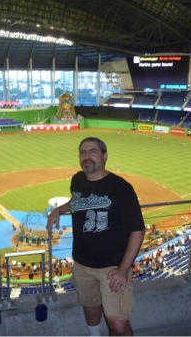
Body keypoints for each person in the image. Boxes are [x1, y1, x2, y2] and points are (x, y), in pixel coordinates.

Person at [47, 137, 145, 336]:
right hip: (82, 263)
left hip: (112, 267)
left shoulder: (121, 188)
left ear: (105, 156)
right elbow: (77, 202)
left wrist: (123, 269)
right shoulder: (77, 180)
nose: (87, 156)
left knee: (118, 326)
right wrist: (59, 209)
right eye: (83, 152)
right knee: (90, 306)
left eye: (93, 151)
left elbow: (138, 230)